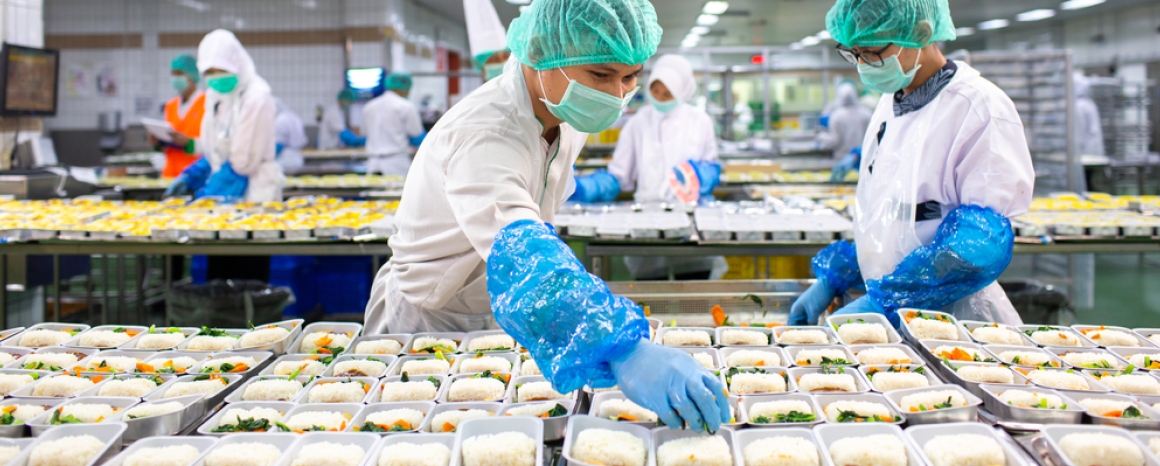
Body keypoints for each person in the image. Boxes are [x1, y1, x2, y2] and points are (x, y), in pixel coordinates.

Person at [364, 0, 728, 432]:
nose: (616, 94)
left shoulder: (564, 107)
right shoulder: (487, 133)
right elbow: (524, 256)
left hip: (495, 309)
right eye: (600, 76)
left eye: (631, 77)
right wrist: (623, 348)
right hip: (432, 321)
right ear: (541, 55)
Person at [788, 0, 1035, 327]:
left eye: (872, 52)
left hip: (954, 324)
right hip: (891, 323)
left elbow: (979, 245)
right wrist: (838, 277)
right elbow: (889, 218)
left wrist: (886, 301)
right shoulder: (889, 105)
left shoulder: (978, 109)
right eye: (855, 53)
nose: (863, 64)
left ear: (920, 32)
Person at [604, 53, 726, 279]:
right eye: (655, 91)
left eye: (667, 94)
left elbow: (711, 165)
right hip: (648, 219)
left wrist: (702, 175)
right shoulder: (637, 123)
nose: (660, 98)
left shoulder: (700, 121)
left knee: (693, 284)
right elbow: (620, 174)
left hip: (689, 217)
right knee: (649, 286)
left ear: (682, 92)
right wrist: (593, 186)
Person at [164, 29, 282, 203]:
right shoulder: (216, 96)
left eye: (222, 69)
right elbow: (215, 148)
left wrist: (208, 195)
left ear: (237, 64)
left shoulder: (256, 97)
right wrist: (193, 175)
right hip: (226, 183)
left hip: (254, 191)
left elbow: (243, 160)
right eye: (209, 72)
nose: (216, 77)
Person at [362, 72, 425, 176]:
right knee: (397, 192)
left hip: (373, 163)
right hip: (397, 162)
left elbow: (364, 133)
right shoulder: (406, 106)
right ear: (405, 87)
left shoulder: (369, 106)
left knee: (375, 192)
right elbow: (417, 137)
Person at [154, 54, 205, 179]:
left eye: (179, 73)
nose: (175, 78)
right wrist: (158, 142)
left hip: (196, 175)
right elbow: (167, 140)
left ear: (192, 76)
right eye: (173, 74)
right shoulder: (170, 106)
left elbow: (215, 145)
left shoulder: (207, 102)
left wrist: (189, 143)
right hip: (170, 175)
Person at [819, 82, 873, 182]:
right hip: (863, 160)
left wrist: (822, 137)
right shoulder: (866, 113)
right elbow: (873, 139)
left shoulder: (836, 116)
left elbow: (834, 140)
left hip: (841, 160)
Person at [464, 0, 510, 81]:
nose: (503, 63)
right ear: (482, 69)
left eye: (506, 56)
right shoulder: (480, 94)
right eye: (495, 59)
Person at [274, 98, 309, 175]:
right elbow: (303, 140)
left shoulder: (279, 120)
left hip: (284, 161)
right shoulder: (294, 117)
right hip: (298, 159)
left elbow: (279, 145)